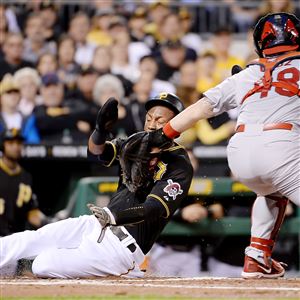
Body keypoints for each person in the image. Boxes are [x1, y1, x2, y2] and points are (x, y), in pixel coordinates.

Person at [147, 12, 300, 279]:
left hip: (239, 151)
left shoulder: (249, 72)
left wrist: (162, 136)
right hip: (282, 146)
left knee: (272, 193)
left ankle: (257, 256)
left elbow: (199, 109)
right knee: (276, 185)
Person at [0, 93, 193, 278]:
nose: (151, 125)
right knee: (34, 238)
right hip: (97, 224)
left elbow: (155, 209)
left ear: (175, 124)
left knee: (43, 264)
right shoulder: (136, 142)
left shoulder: (179, 163)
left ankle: (125, 273)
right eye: (149, 118)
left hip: (122, 247)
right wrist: (100, 131)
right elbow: (96, 153)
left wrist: (114, 216)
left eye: (159, 120)